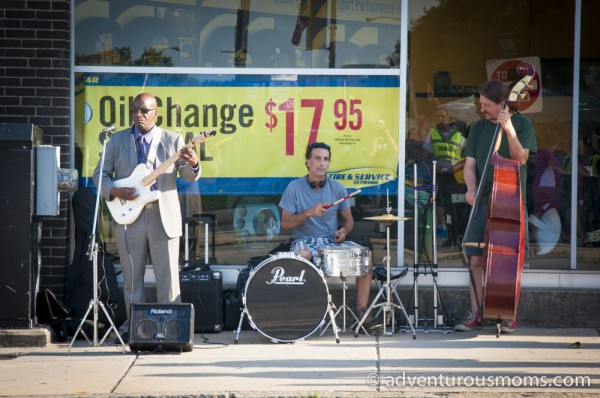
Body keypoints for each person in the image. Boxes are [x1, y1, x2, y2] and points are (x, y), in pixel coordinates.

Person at [93, 93, 201, 343]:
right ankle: (137, 330)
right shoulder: (117, 140)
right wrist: (116, 191)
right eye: (135, 110)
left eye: (144, 110)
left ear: (156, 113)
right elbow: (100, 176)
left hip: (163, 218)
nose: (138, 115)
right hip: (130, 219)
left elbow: (187, 175)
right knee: (132, 278)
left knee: (168, 278)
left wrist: (194, 163)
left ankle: (172, 330)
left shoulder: (174, 140)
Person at [456, 80, 537, 333]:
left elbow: (521, 159)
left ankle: (508, 313)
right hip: (482, 200)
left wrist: (509, 129)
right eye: (481, 105)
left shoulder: (523, 125)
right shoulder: (478, 129)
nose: (482, 110)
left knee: (510, 262)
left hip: (511, 203)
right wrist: (470, 188)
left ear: (503, 104)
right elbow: (470, 165)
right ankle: (476, 312)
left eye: (487, 105)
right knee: (475, 260)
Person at [278, 142, 380, 330]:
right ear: (308, 162)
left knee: (366, 257)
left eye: (326, 159)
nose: (322, 163)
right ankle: (303, 312)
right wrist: (309, 213)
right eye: (317, 158)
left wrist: (343, 231)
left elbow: (349, 221)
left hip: (330, 242)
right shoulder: (294, 188)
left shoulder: (338, 188)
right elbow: (285, 223)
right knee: (303, 256)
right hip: (304, 242)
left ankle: (362, 313)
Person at [423, 107, 468, 247]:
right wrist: (435, 167)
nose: (440, 119)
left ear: (448, 118)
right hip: (440, 176)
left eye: (443, 116)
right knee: (446, 208)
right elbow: (426, 156)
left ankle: (461, 236)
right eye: (437, 116)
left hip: (456, 178)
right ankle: (451, 235)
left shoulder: (459, 136)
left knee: (459, 208)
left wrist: (456, 167)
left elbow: (468, 157)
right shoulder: (432, 133)